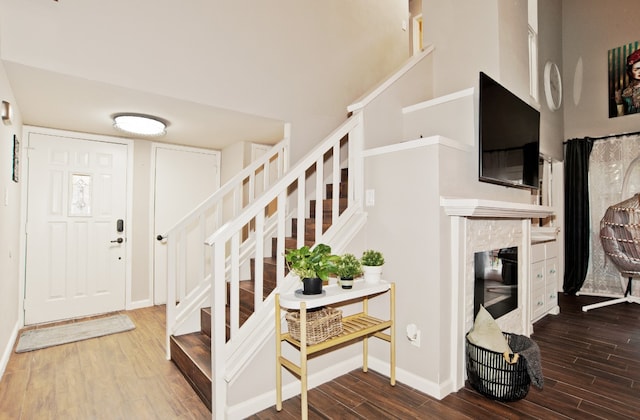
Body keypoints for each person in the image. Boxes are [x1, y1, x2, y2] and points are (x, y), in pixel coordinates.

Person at [616, 48, 640, 116]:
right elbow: (620, 114)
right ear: (630, 71)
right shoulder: (625, 91)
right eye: (636, 69)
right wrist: (619, 102)